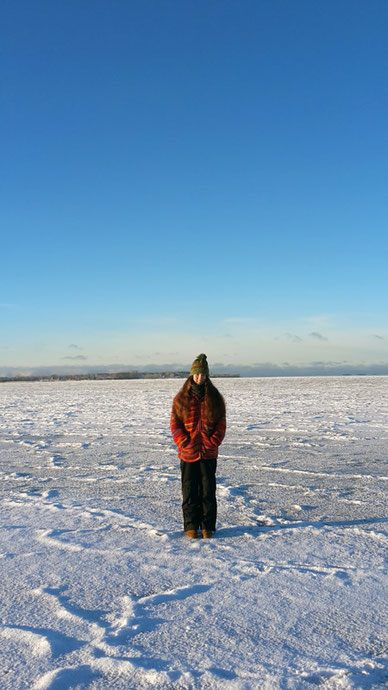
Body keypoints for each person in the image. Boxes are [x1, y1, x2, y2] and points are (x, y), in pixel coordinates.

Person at [170, 354, 226, 539]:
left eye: (203, 375)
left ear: (207, 376)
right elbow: (175, 423)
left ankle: (207, 527)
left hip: (208, 453)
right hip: (188, 453)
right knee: (189, 490)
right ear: (191, 375)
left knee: (208, 490)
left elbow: (221, 423)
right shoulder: (181, 399)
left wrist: (212, 441)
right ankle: (191, 527)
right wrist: (184, 442)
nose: (199, 378)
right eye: (197, 374)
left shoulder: (216, 398)